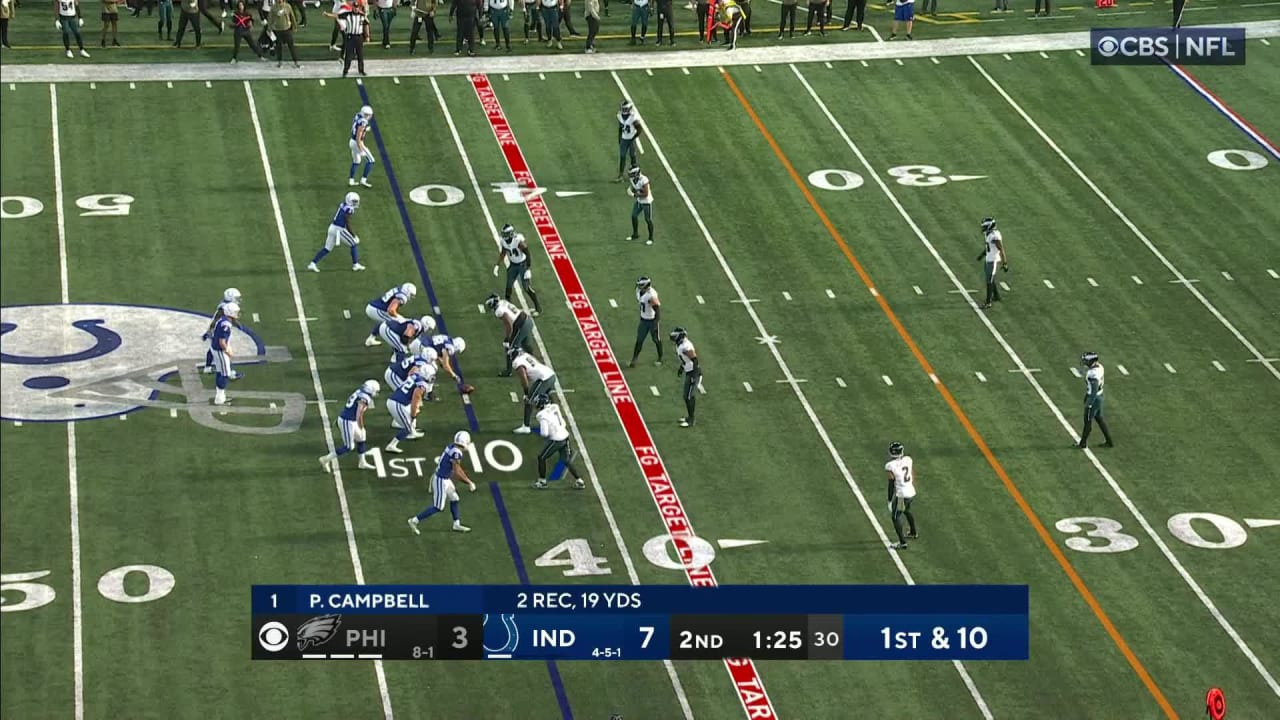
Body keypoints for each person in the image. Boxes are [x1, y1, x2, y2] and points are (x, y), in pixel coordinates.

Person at [407, 432, 476, 535]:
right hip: (441, 480)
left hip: (444, 478)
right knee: (438, 507)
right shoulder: (456, 453)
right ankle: (414, 521)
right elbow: (457, 472)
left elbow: (457, 469)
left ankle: (456, 524)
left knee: (455, 498)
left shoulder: (452, 447)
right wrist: (469, 482)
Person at [318, 380, 380, 472]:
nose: (376, 393)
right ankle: (325, 460)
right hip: (347, 421)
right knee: (349, 446)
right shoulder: (364, 398)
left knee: (362, 437)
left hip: (351, 420)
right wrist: (361, 426)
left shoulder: (361, 391)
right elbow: (359, 414)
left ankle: (362, 462)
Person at [532, 395, 585, 489]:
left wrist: (549, 433)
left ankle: (542, 481)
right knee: (566, 460)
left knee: (541, 458)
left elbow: (544, 433)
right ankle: (579, 480)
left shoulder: (541, 415)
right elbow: (562, 422)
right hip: (565, 435)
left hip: (556, 439)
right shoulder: (554, 406)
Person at [307, 192, 364, 272]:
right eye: (354, 201)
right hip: (339, 229)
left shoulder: (343, 204)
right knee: (353, 244)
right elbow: (348, 223)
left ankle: (313, 263)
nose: (355, 203)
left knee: (327, 248)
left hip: (332, 227)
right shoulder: (349, 209)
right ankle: (355, 265)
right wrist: (353, 235)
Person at [492, 224, 543, 315]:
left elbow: (527, 253)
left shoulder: (518, 241)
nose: (504, 236)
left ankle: (538, 308)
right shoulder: (504, 241)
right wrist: (497, 265)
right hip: (513, 265)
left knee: (526, 288)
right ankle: (510, 310)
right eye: (503, 234)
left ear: (510, 234)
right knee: (508, 287)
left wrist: (528, 268)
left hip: (522, 265)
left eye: (506, 234)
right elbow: (503, 253)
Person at [485, 293, 536, 376]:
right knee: (526, 345)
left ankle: (509, 371)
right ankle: (534, 364)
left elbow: (509, 324)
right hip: (527, 320)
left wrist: (508, 338)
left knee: (510, 347)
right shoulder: (503, 302)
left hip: (521, 325)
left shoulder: (499, 311)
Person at [509, 348, 557, 435]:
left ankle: (526, 426)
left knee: (529, 400)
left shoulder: (517, 362)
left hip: (544, 379)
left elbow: (524, 379)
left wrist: (526, 393)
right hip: (550, 374)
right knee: (547, 401)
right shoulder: (525, 355)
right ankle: (555, 423)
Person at [1077, 352, 1114, 449]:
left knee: (1088, 421)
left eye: (1086, 361)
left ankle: (1083, 443)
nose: (1085, 362)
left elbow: (1094, 389)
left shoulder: (1092, 374)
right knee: (1099, 419)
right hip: (1100, 396)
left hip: (1094, 399)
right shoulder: (1099, 367)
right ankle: (1109, 441)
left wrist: (1089, 403)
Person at [884, 442, 918, 549]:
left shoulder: (890, 466)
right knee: (906, 510)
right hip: (911, 491)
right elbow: (912, 474)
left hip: (902, 495)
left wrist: (890, 500)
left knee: (895, 517)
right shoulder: (908, 459)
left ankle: (902, 542)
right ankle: (913, 532)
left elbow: (891, 485)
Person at [208, 302, 240, 406]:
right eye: (235, 312)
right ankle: (220, 399)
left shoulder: (223, 321)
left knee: (220, 371)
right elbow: (222, 341)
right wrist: (228, 351)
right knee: (225, 373)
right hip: (220, 350)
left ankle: (220, 396)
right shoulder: (226, 324)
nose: (237, 314)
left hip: (216, 349)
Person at [628, 276, 663, 367]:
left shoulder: (651, 295)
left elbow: (657, 309)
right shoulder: (640, 291)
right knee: (639, 340)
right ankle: (634, 359)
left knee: (656, 340)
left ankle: (660, 358)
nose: (639, 286)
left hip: (651, 321)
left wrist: (655, 323)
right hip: (643, 320)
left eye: (641, 285)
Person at [975, 216, 1007, 309]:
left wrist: (1005, 263)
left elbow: (1001, 249)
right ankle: (996, 296)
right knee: (989, 279)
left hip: (993, 260)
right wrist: (982, 255)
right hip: (988, 258)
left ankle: (988, 302)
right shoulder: (988, 234)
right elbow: (988, 247)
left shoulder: (994, 236)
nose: (983, 228)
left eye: (984, 227)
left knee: (989, 280)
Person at [671, 326, 699, 427]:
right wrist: (681, 368)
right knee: (686, 396)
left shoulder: (686, 346)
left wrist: (694, 374)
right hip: (689, 371)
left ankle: (691, 420)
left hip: (693, 372)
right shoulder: (680, 345)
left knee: (689, 396)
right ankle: (689, 417)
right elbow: (685, 359)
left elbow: (695, 360)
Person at [348, 105, 375, 187]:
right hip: (357, 142)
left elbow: (357, 128)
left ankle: (351, 180)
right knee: (371, 160)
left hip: (351, 141)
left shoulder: (358, 116)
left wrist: (365, 130)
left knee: (356, 161)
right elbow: (358, 135)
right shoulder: (363, 122)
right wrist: (361, 148)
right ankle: (363, 180)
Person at [625, 165, 654, 245]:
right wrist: (630, 190)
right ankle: (635, 234)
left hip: (646, 202)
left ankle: (651, 238)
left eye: (632, 174)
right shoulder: (632, 179)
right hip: (639, 201)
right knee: (634, 216)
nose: (630, 176)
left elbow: (646, 194)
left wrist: (634, 195)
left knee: (648, 219)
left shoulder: (644, 180)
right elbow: (634, 188)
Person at [340, 0, 369, 77]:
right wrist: (327, 14)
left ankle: (361, 70)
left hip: (359, 37)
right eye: (354, 7)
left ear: (358, 8)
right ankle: (345, 71)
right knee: (348, 55)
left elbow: (366, 25)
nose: (356, 9)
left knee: (360, 55)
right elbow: (337, 16)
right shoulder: (347, 15)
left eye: (357, 7)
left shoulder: (362, 16)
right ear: (352, 7)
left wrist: (367, 36)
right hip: (350, 37)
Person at [615, 100, 642, 182]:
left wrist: (634, 137)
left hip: (630, 139)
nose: (624, 110)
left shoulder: (633, 117)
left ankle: (636, 174)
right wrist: (619, 137)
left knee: (632, 156)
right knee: (622, 156)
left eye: (626, 109)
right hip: (624, 139)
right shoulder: (619, 115)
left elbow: (640, 129)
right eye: (623, 109)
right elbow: (620, 127)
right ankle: (621, 175)